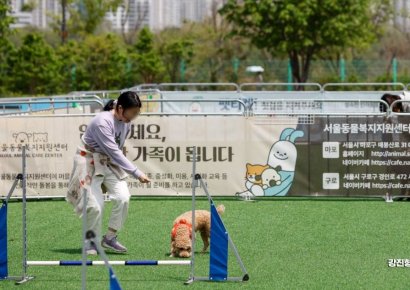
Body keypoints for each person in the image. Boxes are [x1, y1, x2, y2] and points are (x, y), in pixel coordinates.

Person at [67, 91, 150, 255]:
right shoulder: (102, 122)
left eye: (136, 113)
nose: (133, 117)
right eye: (132, 113)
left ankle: (110, 237)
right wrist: (137, 173)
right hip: (88, 160)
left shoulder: (126, 122)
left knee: (123, 197)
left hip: (107, 162)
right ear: (120, 108)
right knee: (95, 206)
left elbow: (115, 151)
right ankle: (90, 242)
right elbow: (115, 152)